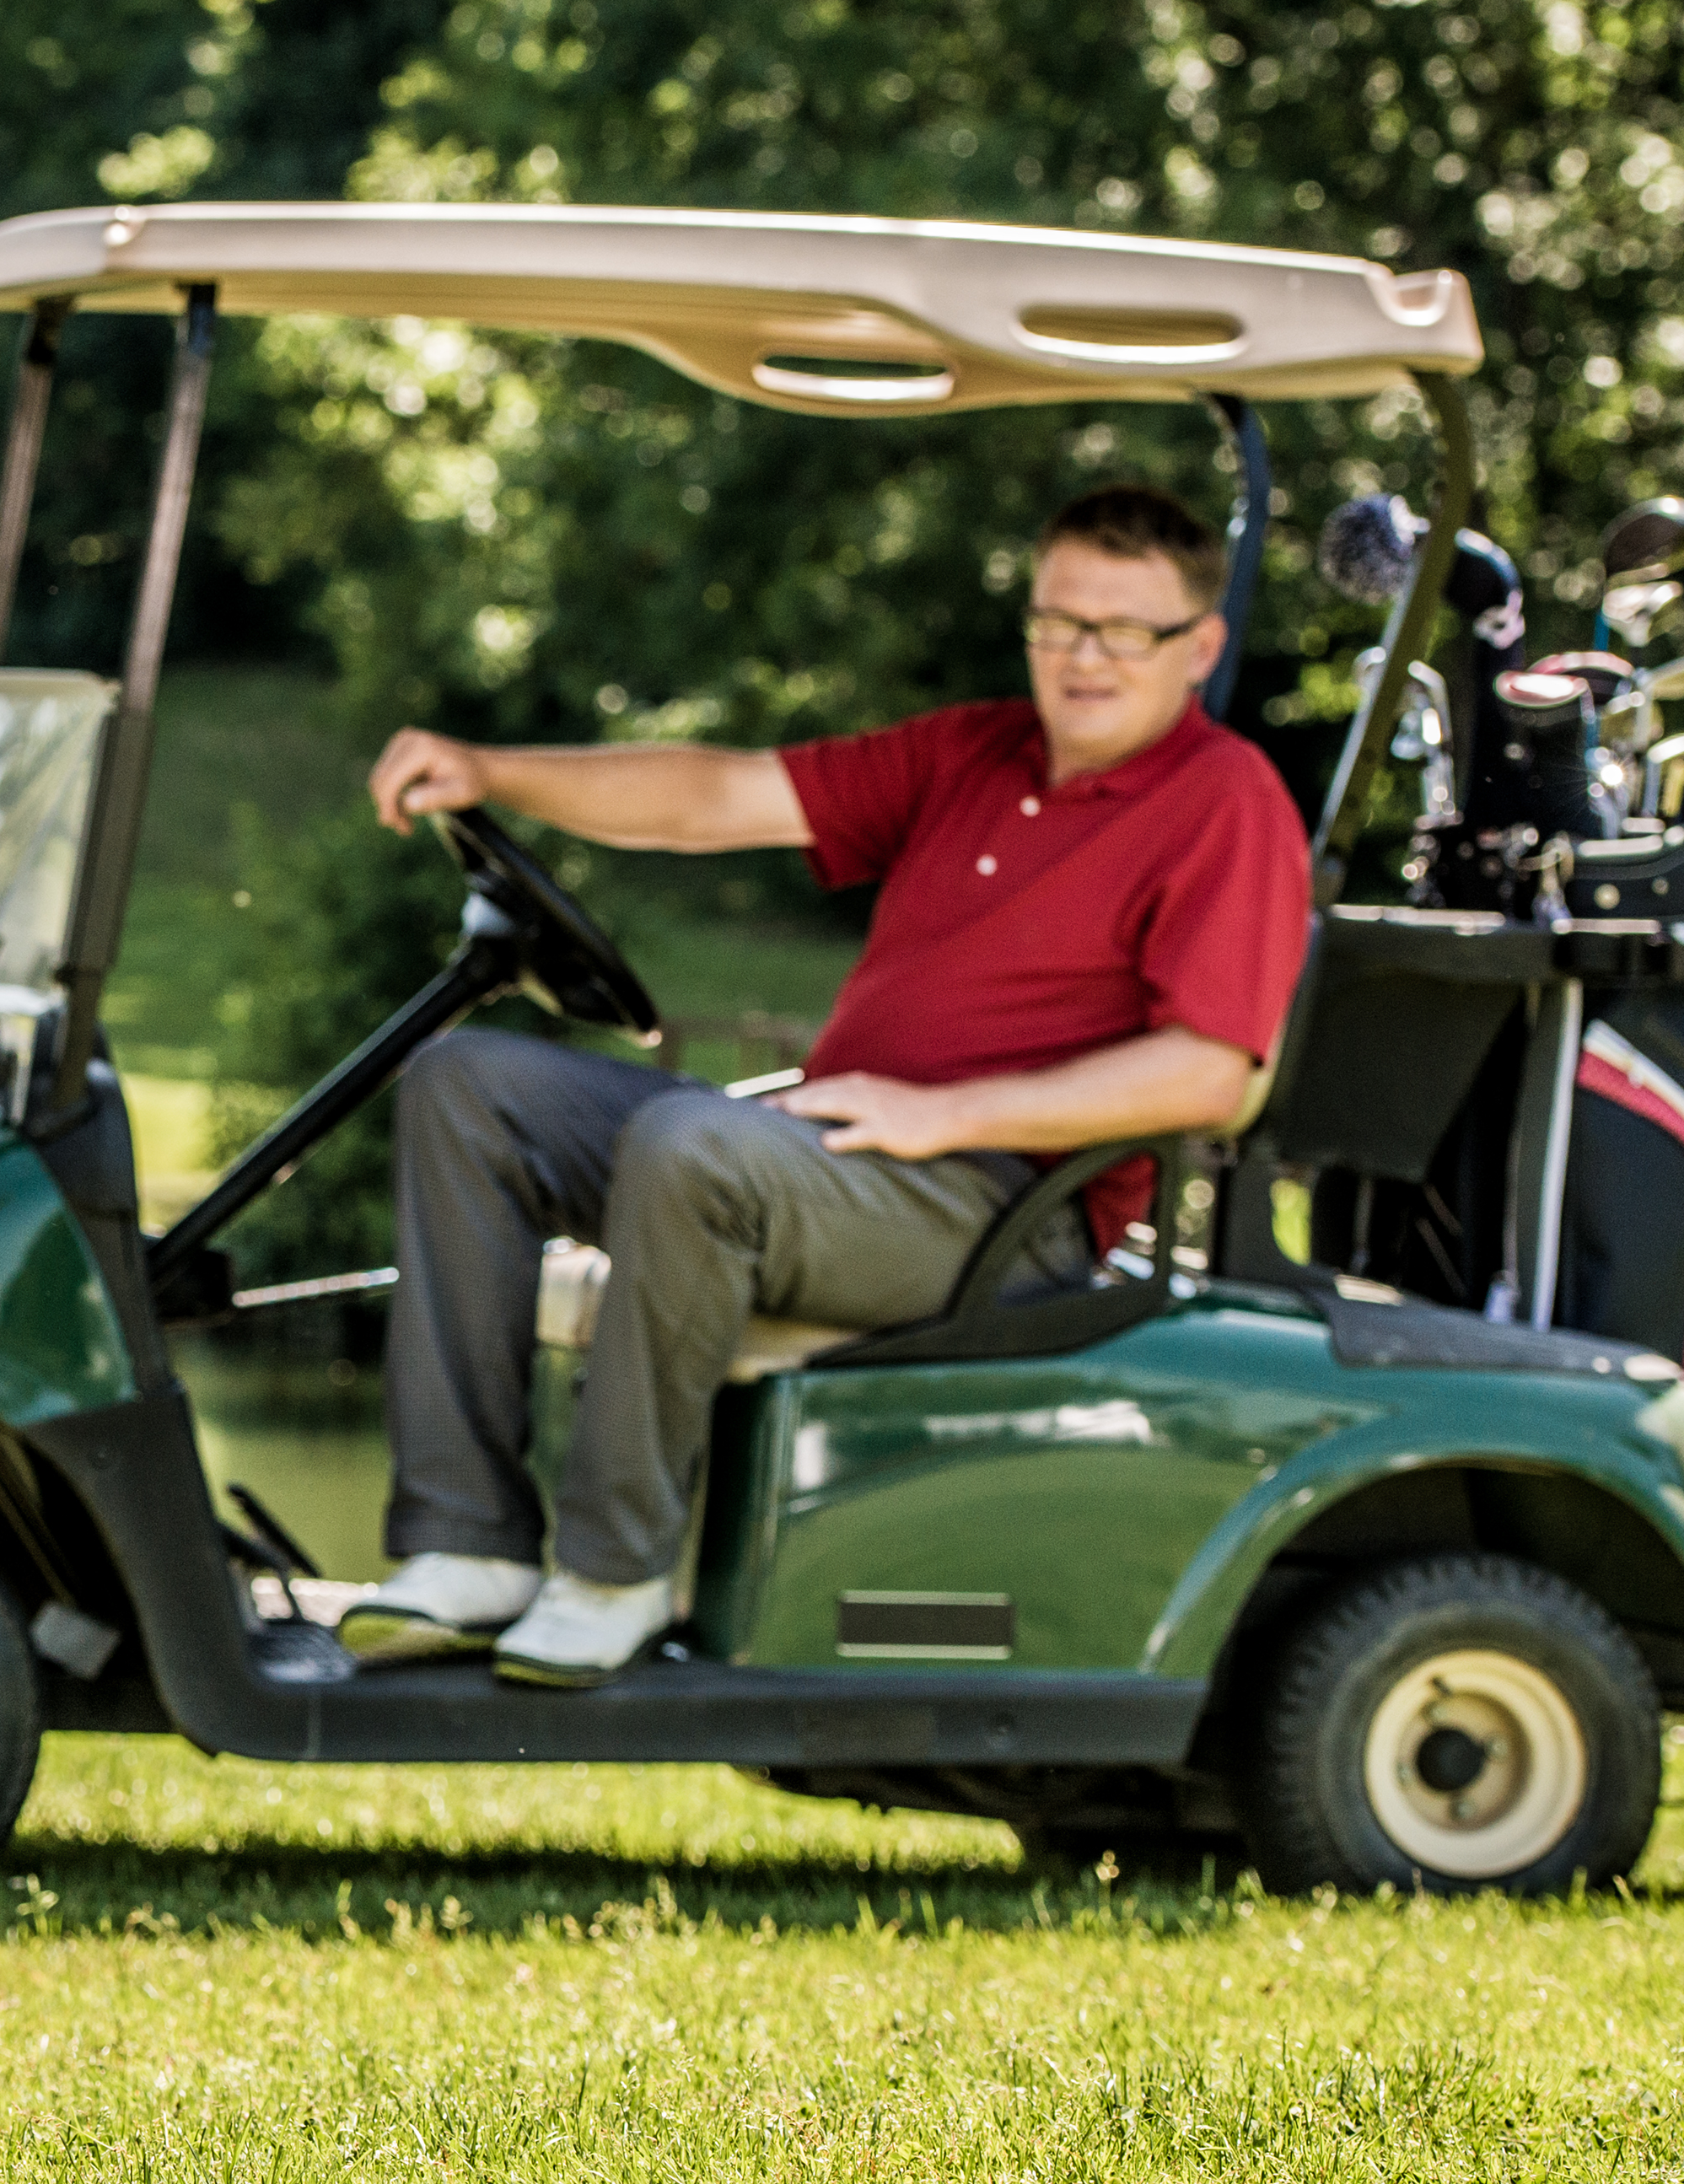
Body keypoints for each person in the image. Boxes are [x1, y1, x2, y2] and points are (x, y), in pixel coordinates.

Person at [338, 482, 1309, 1690]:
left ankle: (613, 1569)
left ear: (1198, 647)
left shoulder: (1224, 802)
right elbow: (714, 798)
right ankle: (466, 1545)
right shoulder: (973, 751)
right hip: (839, 1153)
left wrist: (940, 1112)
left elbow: (1213, 1073)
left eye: (1122, 631)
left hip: (997, 1210)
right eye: (1058, 621)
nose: (1082, 657)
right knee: (467, 1084)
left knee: (693, 1146)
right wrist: (488, 769)